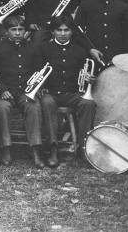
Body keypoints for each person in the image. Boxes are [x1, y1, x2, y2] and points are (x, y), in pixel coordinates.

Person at [34, 15, 97, 167]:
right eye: (59, 30)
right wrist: (41, 88)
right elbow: (36, 71)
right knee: (48, 103)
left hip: (72, 93)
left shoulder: (80, 51)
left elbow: (85, 72)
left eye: (66, 30)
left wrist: (89, 79)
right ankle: (53, 149)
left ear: (72, 32)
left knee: (88, 104)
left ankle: (83, 148)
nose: (62, 33)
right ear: (53, 32)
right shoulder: (43, 49)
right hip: (51, 93)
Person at [0, 15, 45, 168]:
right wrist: (2, 90)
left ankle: (35, 149)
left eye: (21, 29)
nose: (18, 33)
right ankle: (6, 148)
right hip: (5, 92)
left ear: (25, 31)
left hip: (25, 92)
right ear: (6, 31)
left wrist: (34, 89)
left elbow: (39, 71)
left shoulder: (33, 48)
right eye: (13, 30)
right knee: (2, 108)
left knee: (34, 107)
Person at [74, 0, 128, 65]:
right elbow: (76, 31)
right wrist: (89, 49)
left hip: (115, 58)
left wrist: (126, 60)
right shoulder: (85, 5)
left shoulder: (122, 7)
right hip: (91, 56)